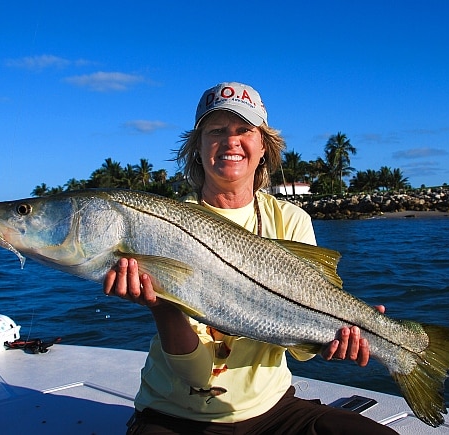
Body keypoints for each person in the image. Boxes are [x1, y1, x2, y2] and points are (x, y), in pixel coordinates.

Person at [103, 82, 397, 434]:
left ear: (263, 147)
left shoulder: (291, 220)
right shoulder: (165, 226)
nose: (230, 141)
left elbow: (302, 350)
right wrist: (162, 306)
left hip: (272, 410)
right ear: (197, 147)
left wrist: (341, 338)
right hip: (175, 413)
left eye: (244, 130)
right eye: (216, 131)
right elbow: (196, 373)